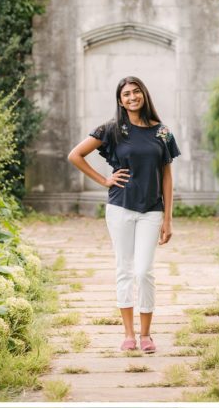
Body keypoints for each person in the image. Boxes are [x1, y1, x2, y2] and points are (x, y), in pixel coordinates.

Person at [66, 76, 179, 353]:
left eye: (136, 92)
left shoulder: (162, 132)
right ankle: (129, 334)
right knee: (124, 270)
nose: (132, 97)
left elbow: (166, 175)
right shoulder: (112, 129)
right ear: (120, 100)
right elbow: (75, 155)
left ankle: (147, 334)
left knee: (144, 272)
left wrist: (168, 217)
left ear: (144, 95)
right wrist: (104, 180)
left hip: (151, 210)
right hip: (120, 208)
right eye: (126, 94)